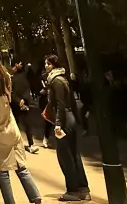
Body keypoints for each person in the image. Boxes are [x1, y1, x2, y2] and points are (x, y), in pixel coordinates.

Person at [0, 50, 42, 204]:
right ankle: (35, 196)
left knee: (3, 172)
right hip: (11, 126)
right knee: (21, 166)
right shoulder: (6, 78)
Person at [44, 55, 90, 202]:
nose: (46, 66)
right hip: (71, 120)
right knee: (74, 155)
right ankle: (83, 189)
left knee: (65, 157)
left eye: (48, 63)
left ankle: (73, 190)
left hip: (64, 121)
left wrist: (57, 124)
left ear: (53, 65)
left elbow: (60, 105)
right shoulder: (63, 79)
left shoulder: (56, 81)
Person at [11, 62, 39, 153]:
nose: (15, 67)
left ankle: (31, 144)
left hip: (22, 103)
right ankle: (16, 144)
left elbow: (27, 88)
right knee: (16, 124)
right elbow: (11, 91)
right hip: (16, 104)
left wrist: (23, 99)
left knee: (26, 124)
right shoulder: (11, 78)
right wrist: (20, 100)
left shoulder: (23, 76)